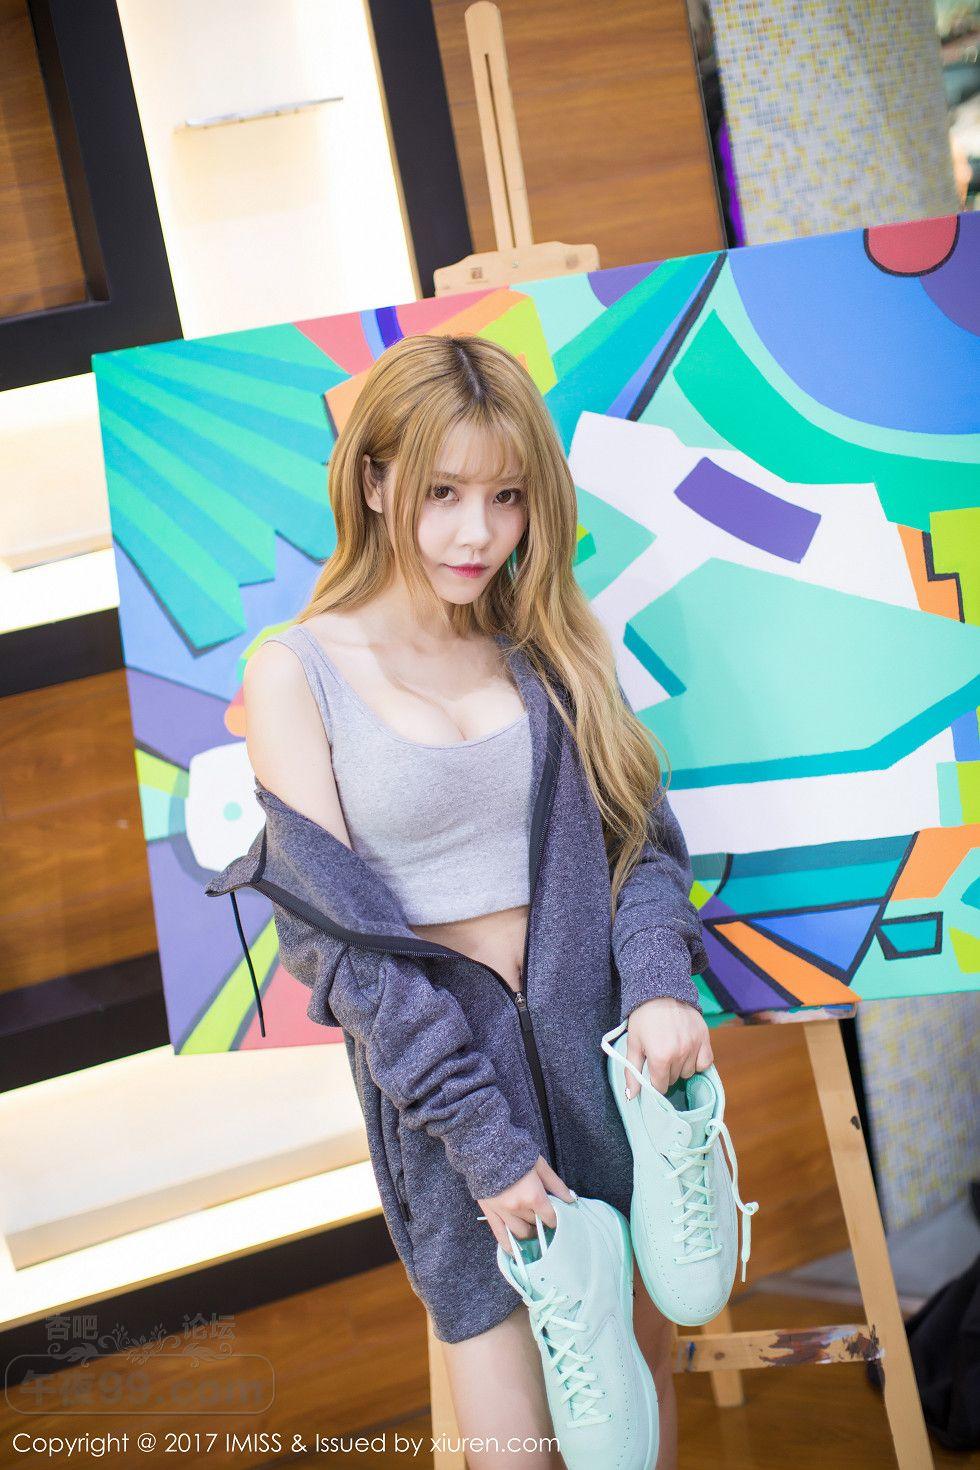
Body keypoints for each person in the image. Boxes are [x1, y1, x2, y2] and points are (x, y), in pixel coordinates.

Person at [239, 333, 713, 1469]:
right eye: (442, 492)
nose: (476, 534)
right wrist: (487, 1148)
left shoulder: (548, 642)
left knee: (633, 1423)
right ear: (374, 481)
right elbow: (341, 949)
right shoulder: (296, 673)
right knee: (517, 1451)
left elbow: (640, 848)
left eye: (506, 497)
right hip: (454, 1106)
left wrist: (658, 986)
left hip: (608, 1065)